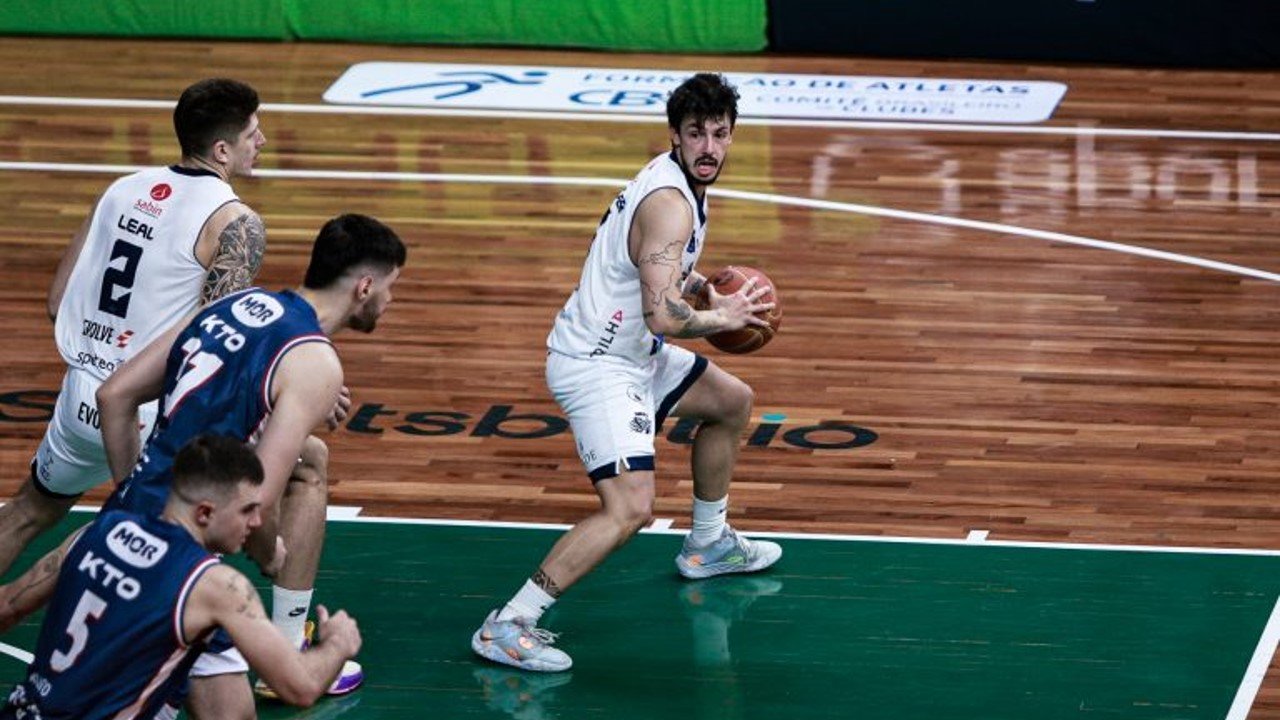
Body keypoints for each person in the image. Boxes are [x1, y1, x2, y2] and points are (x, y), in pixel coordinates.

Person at [471, 73, 781, 673]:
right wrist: (723, 315)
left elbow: (650, 275)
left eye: (721, 134)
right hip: (597, 364)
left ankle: (709, 543)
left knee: (731, 403)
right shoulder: (669, 204)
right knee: (630, 508)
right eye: (697, 134)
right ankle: (509, 623)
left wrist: (694, 284)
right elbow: (662, 316)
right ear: (676, 134)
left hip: (631, 351)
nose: (710, 147)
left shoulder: (683, 185)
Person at [96, 213, 405, 713]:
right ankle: (281, 650)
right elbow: (257, 498)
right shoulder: (315, 362)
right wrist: (268, 555)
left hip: (118, 524)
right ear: (365, 286)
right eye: (391, 288)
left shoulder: (235, 302)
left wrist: (133, 495)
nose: (391, 300)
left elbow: (114, 397)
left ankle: (286, 639)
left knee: (311, 458)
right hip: (182, 559)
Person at [0, 77, 268, 578]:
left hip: (82, 396)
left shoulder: (122, 189)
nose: (263, 141)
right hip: (146, 412)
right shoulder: (236, 222)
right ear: (222, 149)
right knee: (159, 538)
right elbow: (216, 347)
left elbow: (59, 304)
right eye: (254, 133)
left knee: (26, 513)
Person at [0, 434, 363, 719]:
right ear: (205, 512)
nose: (257, 523)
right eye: (249, 511)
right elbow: (299, 687)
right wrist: (338, 643)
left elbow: (8, 606)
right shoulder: (216, 586)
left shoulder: (100, 529)